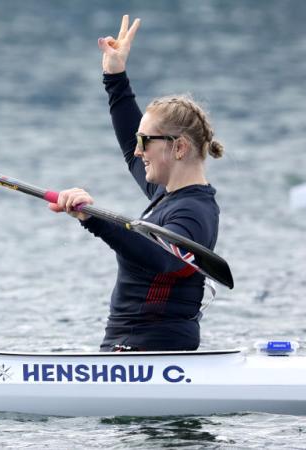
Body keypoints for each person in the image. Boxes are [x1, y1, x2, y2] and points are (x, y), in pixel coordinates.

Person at [48, 15, 225, 352]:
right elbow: (131, 148)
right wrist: (114, 75)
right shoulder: (167, 196)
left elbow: (166, 260)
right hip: (131, 349)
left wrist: (93, 218)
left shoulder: (194, 213)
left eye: (146, 142)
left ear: (179, 147)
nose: (138, 150)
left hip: (151, 352)